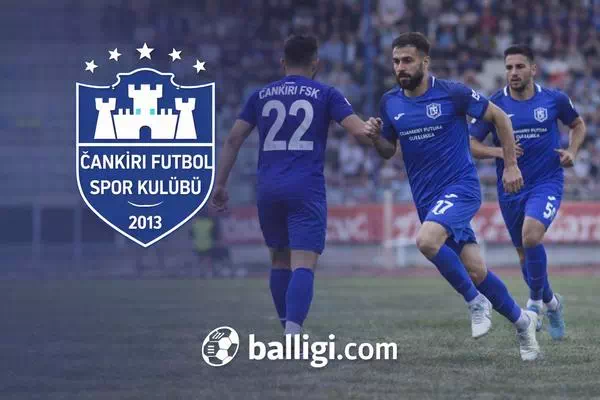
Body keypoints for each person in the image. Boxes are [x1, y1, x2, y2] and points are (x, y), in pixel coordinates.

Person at [367, 32, 540, 360]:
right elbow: (388, 150)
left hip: (461, 188)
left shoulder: (453, 93)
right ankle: (523, 323)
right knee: (476, 271)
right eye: (396, 61)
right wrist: (376, 138)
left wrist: (510, 165)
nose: (400, 67)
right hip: (427, 199)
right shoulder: (389, 102)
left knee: (426, 241)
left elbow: (500, 117)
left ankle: (475, 302)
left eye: (407, 60)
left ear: (425, 61)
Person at [211, 34, 376, 336]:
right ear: (316, 63)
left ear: (282, 62)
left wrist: (220, 184)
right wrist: (382, 134)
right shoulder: (326, 93)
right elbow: (359, 131)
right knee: (303, 262)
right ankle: (293, 332)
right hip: (305, 187)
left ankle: (286, 328)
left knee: (279, 260)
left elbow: (233, 139)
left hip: (268, 188)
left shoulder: (260, 95)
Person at [469, 44, 586, 340]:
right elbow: (470, 144)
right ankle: (553, 303)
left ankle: (534, 304)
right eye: (509, 67)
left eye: (519, 66)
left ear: (533, 69)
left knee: (531, 236)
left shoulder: (554, 99)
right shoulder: (494, 105)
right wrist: (500, 151)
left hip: (547, 182)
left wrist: (572, 151)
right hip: (511, 188)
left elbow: (578, 124)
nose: (513, 72)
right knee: (524, 255)